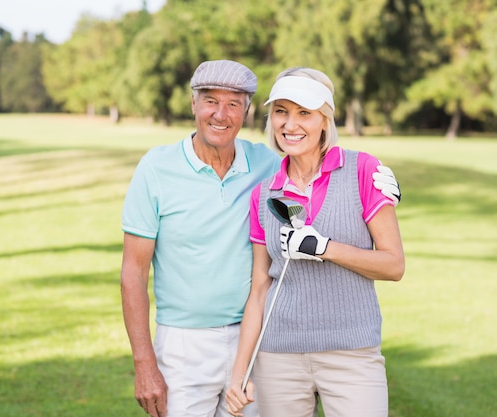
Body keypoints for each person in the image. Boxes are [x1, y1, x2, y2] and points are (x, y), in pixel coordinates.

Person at [121, 60, 401, 417]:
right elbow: (135, 272)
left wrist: (379, 188)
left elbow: (387, 257)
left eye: (234, 104)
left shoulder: (273, 168)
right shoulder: (168, 171)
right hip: (195, 343)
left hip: (268, 342)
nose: (221, 114)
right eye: (210, 101)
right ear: (193, 104)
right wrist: (144, 363)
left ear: (247, 111)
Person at [225, 67, 405, 417]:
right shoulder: (264, 195)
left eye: (304, 113)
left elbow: (393, 265)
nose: (290, 125)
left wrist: (324, 248)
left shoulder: (363, 171)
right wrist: (238, 372)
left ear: (325, 119)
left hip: (352, 353)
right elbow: (260, 289)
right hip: (278, 357)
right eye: (281, 112)